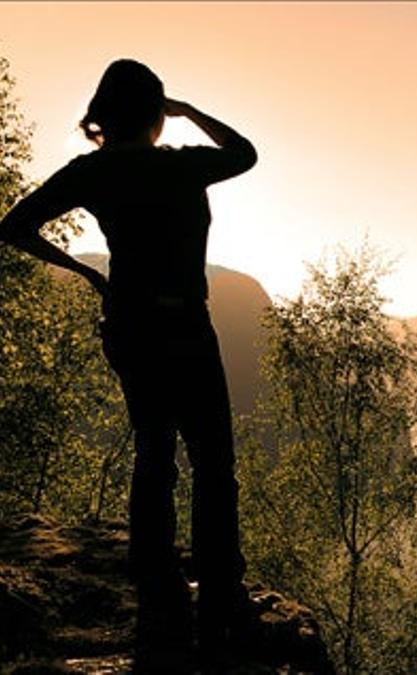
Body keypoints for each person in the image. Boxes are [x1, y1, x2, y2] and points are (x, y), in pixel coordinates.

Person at [0, 59, 257, 668]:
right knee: (213, 461)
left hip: (132, 326)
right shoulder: (182, 164)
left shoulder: (92, 171)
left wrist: (90, 273)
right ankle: (221, 592)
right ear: (154, 113)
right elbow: (245, 153)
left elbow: (13, 226)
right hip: (186, 324)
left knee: (153, 451)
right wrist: (190, 112)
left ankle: (158, 586)